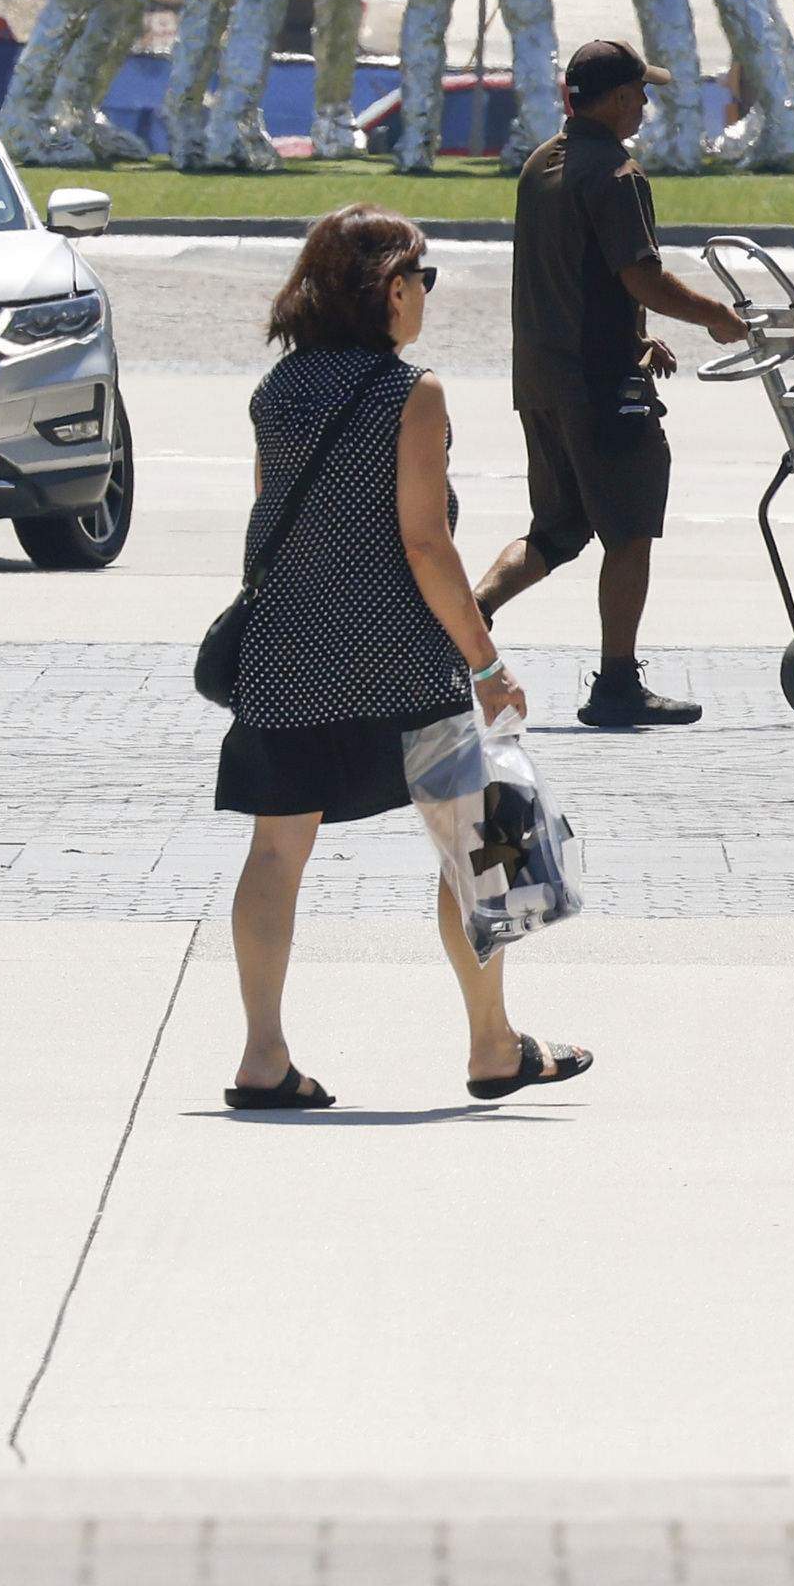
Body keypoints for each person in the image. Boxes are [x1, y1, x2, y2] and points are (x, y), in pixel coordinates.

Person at [222, 206, 585, 1109]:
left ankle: (263, 1056)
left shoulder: (279, 390)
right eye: (422, 279)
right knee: (480, 846)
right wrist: (487, 661)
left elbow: (275, 518)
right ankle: (493, 1045)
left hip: (286, 655)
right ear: (391, 288)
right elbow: (426, 544)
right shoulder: (410, 393)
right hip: (401, 662)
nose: (425, 295)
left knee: (276, 852)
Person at [475, 38, 748, 728]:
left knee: (558, 528)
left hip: (541, 380)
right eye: (641, 93)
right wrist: (718, 317)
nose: (647, 105)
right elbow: (642, 277)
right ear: (619, 97)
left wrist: (632, 334)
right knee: (627, 531)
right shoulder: (617, 172)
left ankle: (467, 619)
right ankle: (618, 683)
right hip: (600, 388)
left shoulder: (541, 163)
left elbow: (570, 276)